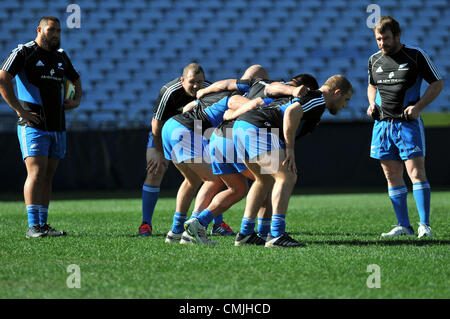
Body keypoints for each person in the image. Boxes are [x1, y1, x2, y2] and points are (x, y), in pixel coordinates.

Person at [186, 75, 352, 247]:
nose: (345, 105)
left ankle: (243, 232)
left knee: (263, 179)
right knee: (287, 177)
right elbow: (291, 112)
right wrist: (289, 149)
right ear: (336, 92)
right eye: (345, 100)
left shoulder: (301, 96)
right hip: (259, 127)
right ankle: (277, 234)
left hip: (241, 126)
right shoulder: (318, 99)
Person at [163, 65, 269, 244]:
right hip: (186, 130)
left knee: (193, 181)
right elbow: (251, 108)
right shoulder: (236, 97)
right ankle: (194, 228)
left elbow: (190, 107)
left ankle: (176, 231)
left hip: (172, 126)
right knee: (215, 179)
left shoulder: (217, 91)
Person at [0, 16, 82, 238]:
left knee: (47, 174)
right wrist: (20, 110)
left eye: (58, 31)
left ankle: (43, 224)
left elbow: (75, 79)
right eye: (51, 30)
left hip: (57, 124)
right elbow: (3, 78)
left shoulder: (60, 56)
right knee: (35, 172)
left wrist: (75, 100)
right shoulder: (24, 52)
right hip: (33, 124)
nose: (56, 34)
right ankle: (32, 225)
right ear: (39, 29)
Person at [366, 16, 444, 238]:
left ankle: (424, 225)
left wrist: (419, 107)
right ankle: (403, 225)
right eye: (378, 39)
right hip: (382, 125)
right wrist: (372, 104)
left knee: (416, 173)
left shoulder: (416, 56)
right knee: (391, 174)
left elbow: (437, 83)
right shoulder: (374, 60)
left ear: (397, 35)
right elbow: (372, 86)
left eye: (386, 38)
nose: (382, 43)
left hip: (407, 124)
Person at [139, 63, 221, 236]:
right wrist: (159, 152)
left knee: (211, 173)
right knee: (155, 170)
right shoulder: (169, 91)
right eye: (192, 82)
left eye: (200, 81)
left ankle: (217, 224)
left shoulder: (209, 90)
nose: (197, 86)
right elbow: (156, 123)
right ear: (182, 80)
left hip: (195, 133)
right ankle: (145, 224)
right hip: (164, 133)